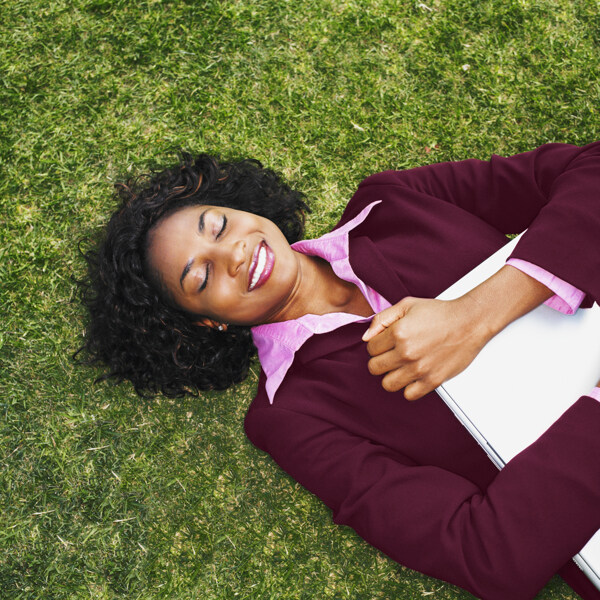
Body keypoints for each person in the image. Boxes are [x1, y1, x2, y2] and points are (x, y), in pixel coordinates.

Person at [80, 143, 600, 600]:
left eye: (216, 224)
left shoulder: (390, 203)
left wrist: (477, 314)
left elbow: (587, 168)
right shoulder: (291, 417)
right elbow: (486, 557)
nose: (232, 252)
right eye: (202, 276)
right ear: (210, 322)